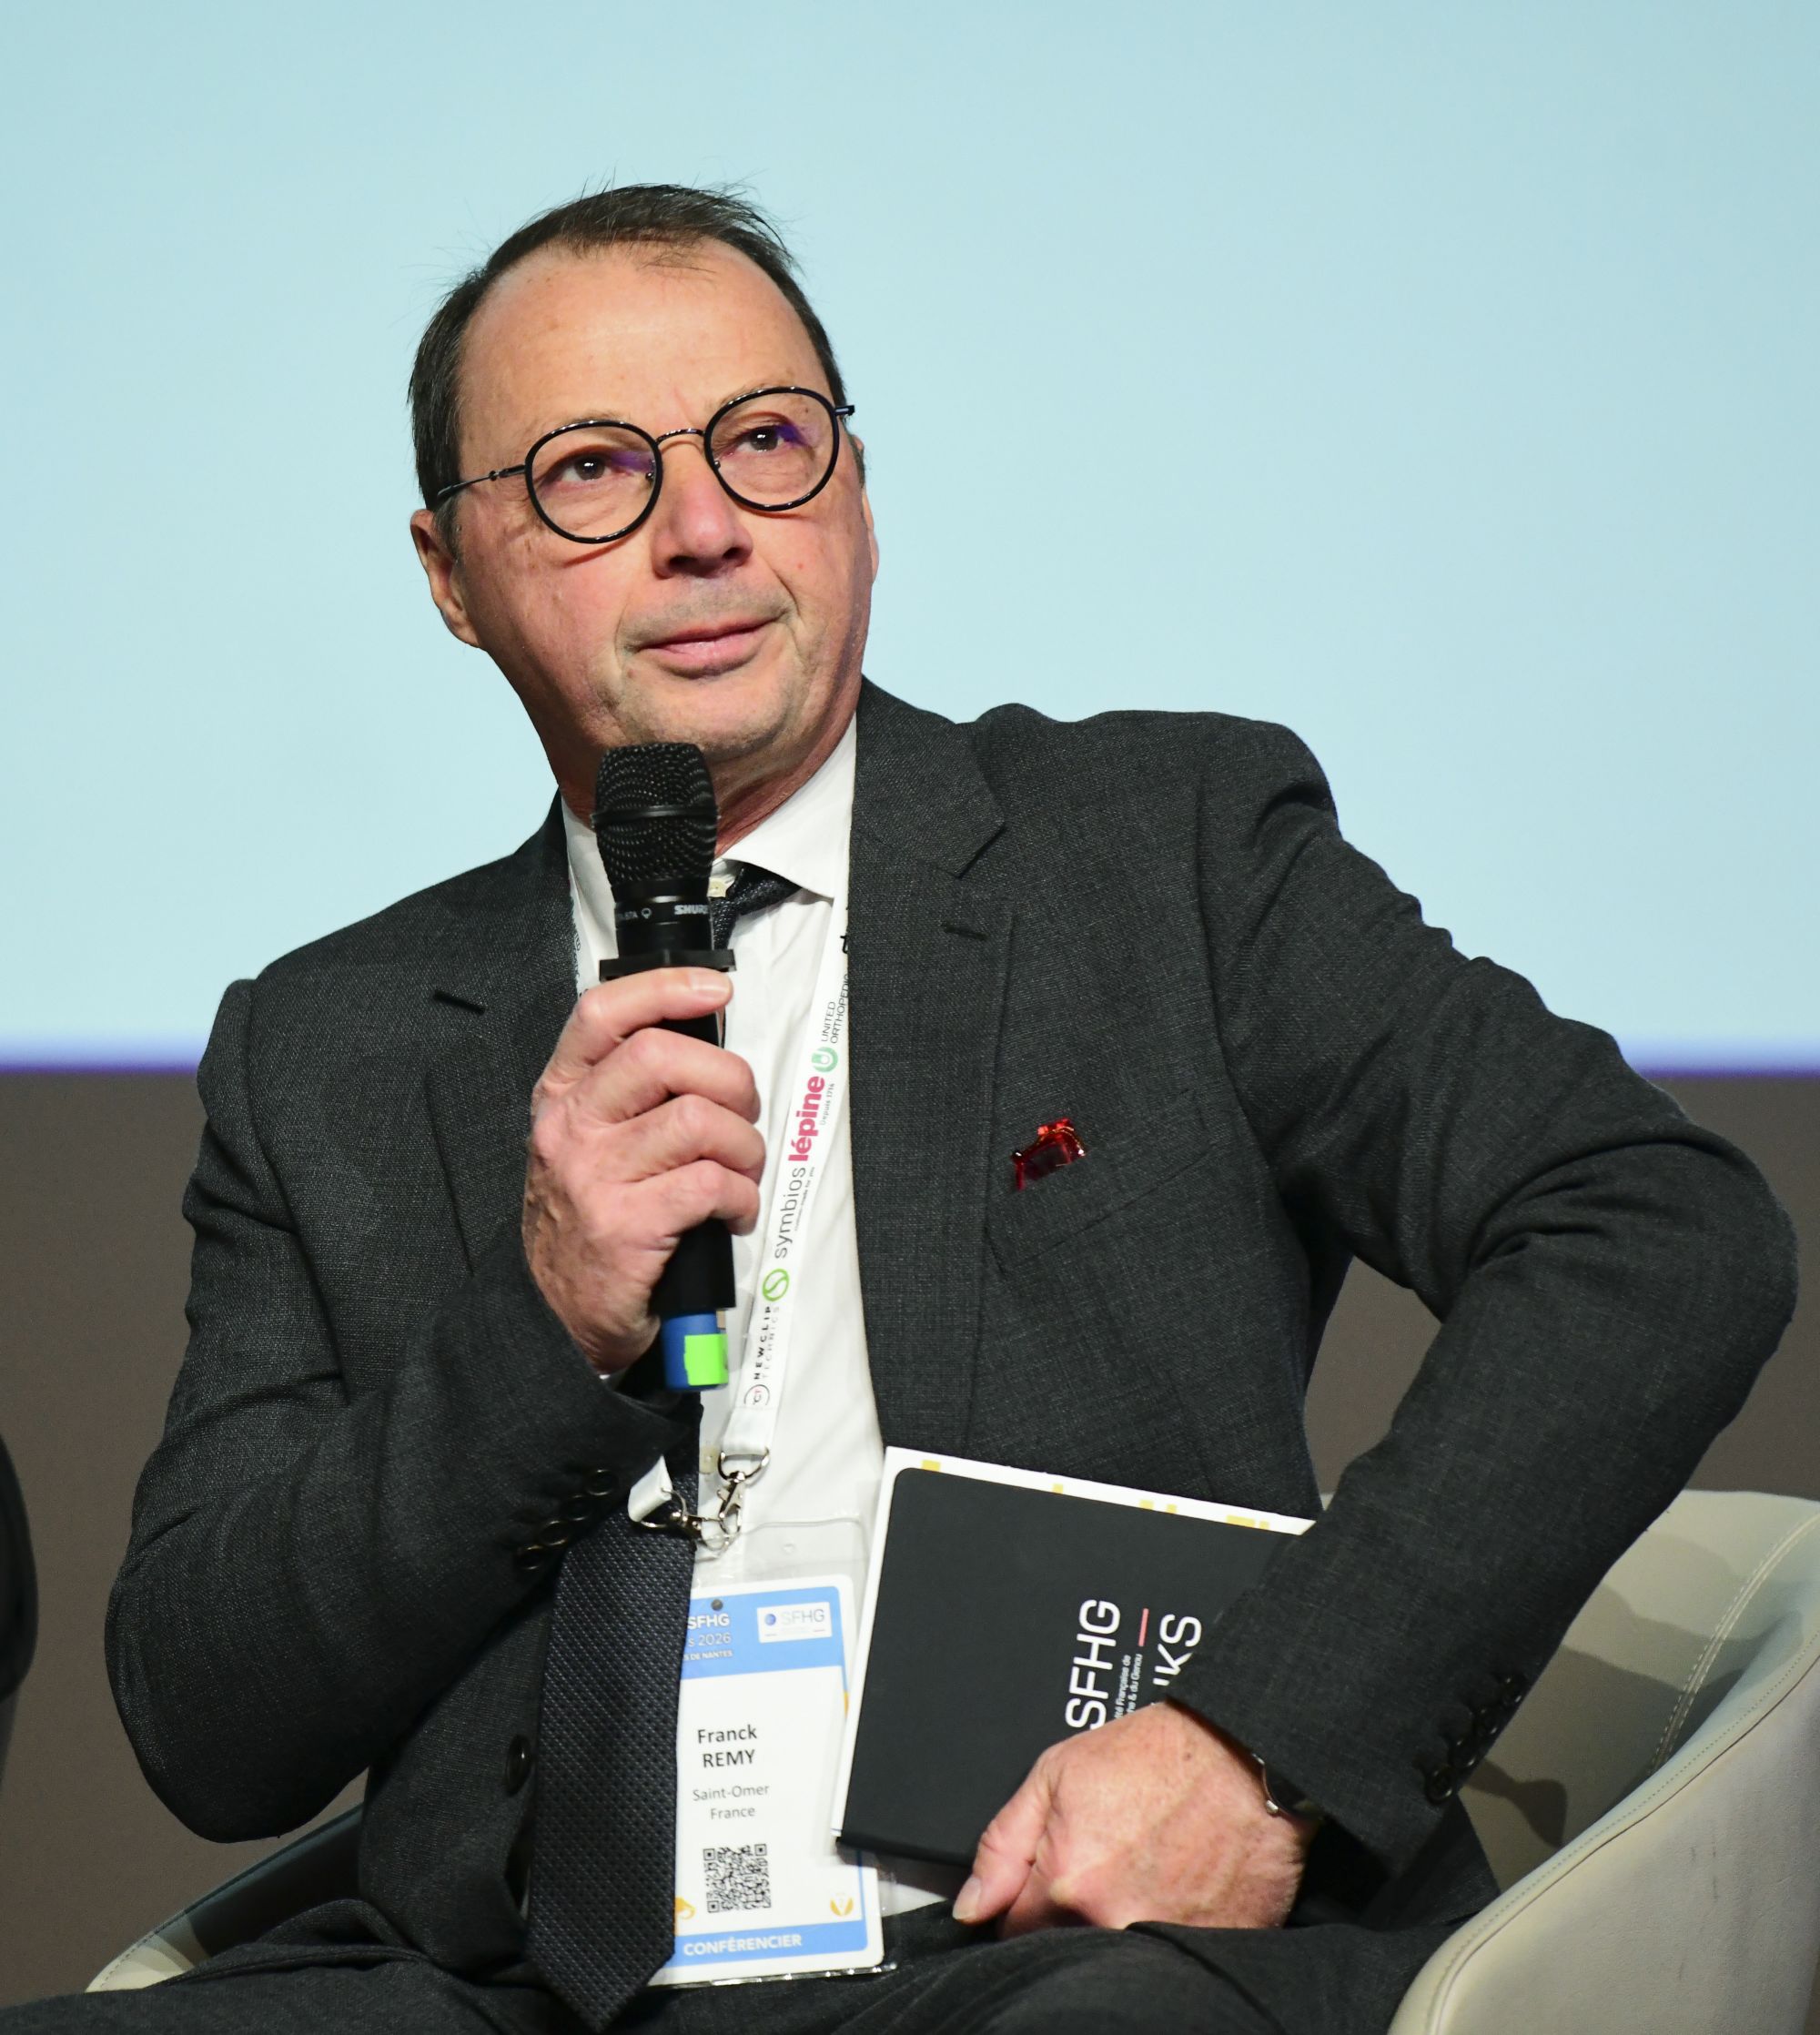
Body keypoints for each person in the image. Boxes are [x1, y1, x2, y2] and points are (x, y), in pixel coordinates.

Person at [9, 186, 1795, 2034]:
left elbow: (1656, 1235)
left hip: (1039, 1956)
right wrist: (535, 1327)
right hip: (512, 1988)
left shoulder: (1161, 857)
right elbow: (208, 1716)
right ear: (449, 573)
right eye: (593, 471)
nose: (705, 527)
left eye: (767, 442)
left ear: (856, 492)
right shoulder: (331, 1043)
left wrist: (1256, 1745)